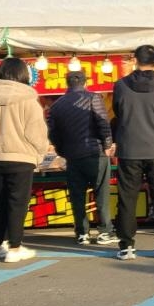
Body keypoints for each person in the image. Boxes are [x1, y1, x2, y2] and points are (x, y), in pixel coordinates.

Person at [112, 44, 154, 260]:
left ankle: (126, 247)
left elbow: (117, 111)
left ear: (134, 60)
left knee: (127, 198)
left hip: (129, 149)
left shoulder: (120, 86)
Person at [46, 70, 117, 245]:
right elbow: (103, 124)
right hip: (96, 153)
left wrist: (63, 151)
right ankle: (105, 231)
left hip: (73, 157)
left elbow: (53, 134)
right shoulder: (94, 98)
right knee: (101, 194)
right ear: (85, 83)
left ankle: (82, 233)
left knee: (77, 196)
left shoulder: (57, 106)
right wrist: (107, 145)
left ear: (67, 84)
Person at [0, 58, 49, 263]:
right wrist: (40, 154)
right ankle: (14, 248)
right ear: (23, 75)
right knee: (18, 204)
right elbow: (36, 133)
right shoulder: (28, 100)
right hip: (21, 158)